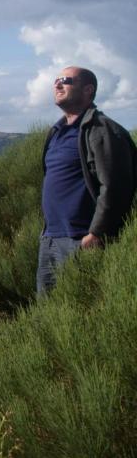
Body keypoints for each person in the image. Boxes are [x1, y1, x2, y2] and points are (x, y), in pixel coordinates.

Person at [37, 66, 137, 294]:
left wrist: (97, 234)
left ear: (88, 90)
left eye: (66, 80)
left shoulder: (102, 130)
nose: (57, 85)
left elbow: (116, 186)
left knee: (81, 311)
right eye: (55, 81)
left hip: (82, 240)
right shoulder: (56, 131)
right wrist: (46, 235)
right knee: (48, 316)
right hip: (51, 239)